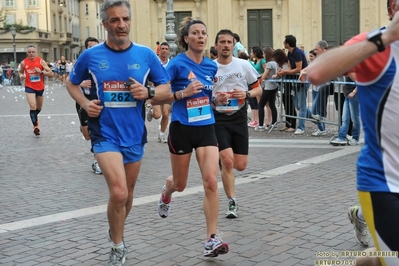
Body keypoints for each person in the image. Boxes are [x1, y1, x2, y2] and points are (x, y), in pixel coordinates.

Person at [65, 1, 170, 265]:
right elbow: (71, 82)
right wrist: (85, 103)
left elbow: (166, 88)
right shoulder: (91, 56)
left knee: (128, 194)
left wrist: (149, 93)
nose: (121, 25)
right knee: (120, 193)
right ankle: (117, 245)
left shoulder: (146, 55)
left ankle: (116, 229)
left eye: (125, 19)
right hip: (104, 133)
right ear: (104, 25)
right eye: (114, 20)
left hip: (134, 134)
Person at [307, 0, 399, 265]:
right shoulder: (379, 46)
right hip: (385, 182)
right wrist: (388, 36)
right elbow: (316, 72)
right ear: (392, 9)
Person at [155, 17, 229, 257]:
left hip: (206, 126)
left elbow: (207, 96)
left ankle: (211, 239)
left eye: (203, 33)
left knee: (210, 181)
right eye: (195, 33)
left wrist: (217, 100)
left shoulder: (211, 66)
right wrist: (182, 93)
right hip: (181, 128)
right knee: (180, 184)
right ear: (186, 38)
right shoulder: (175, 65)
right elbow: (159, 96)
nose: (200, 36)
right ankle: (167, 191)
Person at [212, 29, 262, 218]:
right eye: (222, 42)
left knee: (240, 165)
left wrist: (247, 94)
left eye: (229, 42)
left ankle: (222, 162)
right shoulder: (210, 67)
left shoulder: (244, 65)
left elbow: (259, 89)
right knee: (227, 161)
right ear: (216, 45)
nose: (225, 45)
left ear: (234, 45)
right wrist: (216, 100)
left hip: (239, 117)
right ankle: (232, 202)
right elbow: (204, 96)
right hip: (218, 119)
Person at [74, 36, 102, 174]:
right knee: (87, 135)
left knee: (97, 131)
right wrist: (81, 83)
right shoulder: (81, 61)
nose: (93, 49)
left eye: (96, 47)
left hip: (96, 100)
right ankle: (83, 127)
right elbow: (70, 81)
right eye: (90, 47)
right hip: (83, 100)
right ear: (86, 48)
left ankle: (97, 161)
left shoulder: (102, 61)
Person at [19, 45, 53, 136]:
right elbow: (20, 71)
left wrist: (41, 72)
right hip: (29, 86)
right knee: (32, 105)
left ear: (36, 52)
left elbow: (50, 73)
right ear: (27, 53)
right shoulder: (24, 62)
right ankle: (35, 126)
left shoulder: (41, 61)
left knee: (39, 108)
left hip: (40, 87)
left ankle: (35, 117)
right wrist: (21, 76)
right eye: (29, 52)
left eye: (33, 52)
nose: (31, 53)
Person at [146, 42, 171, 143]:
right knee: (157, 115)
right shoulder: (155, 61)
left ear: (169, 51)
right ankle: (151, 112)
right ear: (159, 50)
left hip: (167, 91)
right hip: (155, 91)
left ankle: (162, 134)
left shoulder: (171, 63)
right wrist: (150, 83)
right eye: (163, 49)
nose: (164, 51)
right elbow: (147, 74)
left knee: (165, 113)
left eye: (166, 49)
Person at [330, 75, 360, 146]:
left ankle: (355, 138)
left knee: (354, 118)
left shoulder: (352, 69)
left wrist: (354, 92)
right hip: (349, 94)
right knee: (345, 117)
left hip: (353, 94)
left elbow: (360, 81)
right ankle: (341, 137)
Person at [255, 47, 278, 131]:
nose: (263, 55)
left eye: (264, 54)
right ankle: (274, 123)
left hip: (268, 87)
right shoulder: (275, 63)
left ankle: (260, 125)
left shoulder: (269, 64)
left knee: (261, 105)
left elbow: (264, 76)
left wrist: (261, 76)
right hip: (274, 86)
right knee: (272, 105)